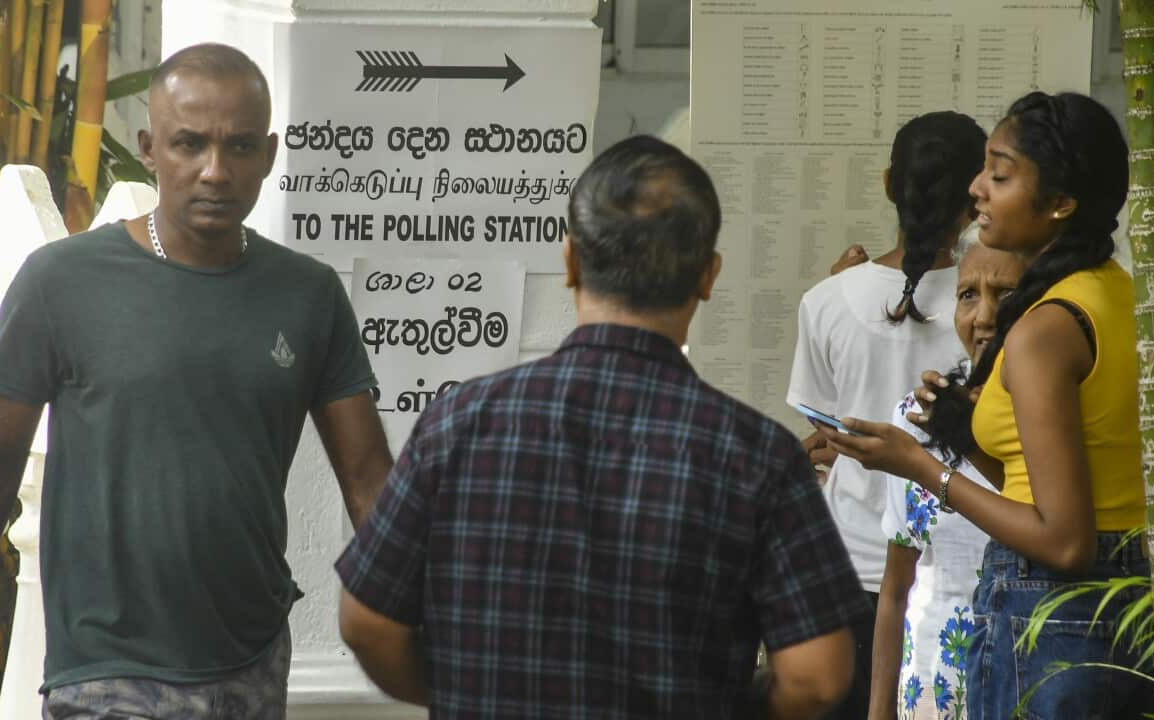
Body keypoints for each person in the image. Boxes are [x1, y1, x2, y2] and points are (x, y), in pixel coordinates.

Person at [335, 135, 872, 719]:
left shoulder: (459, 422)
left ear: (570, 261)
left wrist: (458, 692)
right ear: (708, 276)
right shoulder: (758, 455)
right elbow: (818, 677)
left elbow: (366, 623)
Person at [0, 43, 392, 718]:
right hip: (106, 668)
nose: (215, 171)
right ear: (149, 148)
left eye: (241, 148)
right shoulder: (61, 284)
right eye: (189, 144)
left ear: (271, 153)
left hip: (250, 659)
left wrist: (424, 624)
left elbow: (370, 482)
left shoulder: (308, 295)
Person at [820, 91, 1154, 720]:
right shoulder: (1112, 292)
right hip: (1128, 601)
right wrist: (962, 433)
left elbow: (1063, 542)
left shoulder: (1043, 331)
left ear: (1061, 202)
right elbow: (1055, 480)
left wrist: (922, 467)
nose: (976, 188)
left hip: (1053, 617)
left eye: (1000, 174)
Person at [788, 111, 987, 716]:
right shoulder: (994, 304)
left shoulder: (826, 301)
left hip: (850, 562)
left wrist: (845, 291)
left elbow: (825, 436)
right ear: (977, 197)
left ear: (887, 184)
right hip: (959, 572)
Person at [867, 242, 1026, 720]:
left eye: (1006, 292)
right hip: (932, 688)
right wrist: (879, 711)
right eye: (968, 295)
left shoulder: (1053, 423)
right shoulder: (916, 419)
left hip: (1025, 682)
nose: (985, 316)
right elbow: (896, 587)